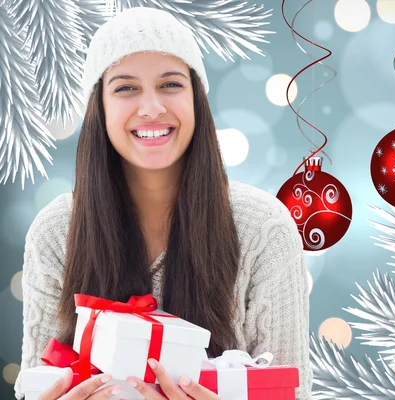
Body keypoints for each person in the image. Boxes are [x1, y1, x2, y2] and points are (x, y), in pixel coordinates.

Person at [13, 6, 311, 400]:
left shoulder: (264, 229)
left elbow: (290, 391)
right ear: (98, 108)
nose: (151, 107)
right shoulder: (56, 232)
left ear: (196, 100)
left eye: (170, 84)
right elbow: (36, 384)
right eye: (125, 88)